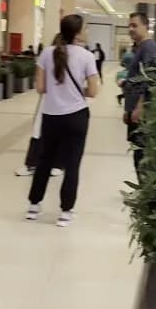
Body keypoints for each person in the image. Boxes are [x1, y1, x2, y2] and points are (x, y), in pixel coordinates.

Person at [25, 14, 99, 227]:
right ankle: (66, 211)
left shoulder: (47, 53)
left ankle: (33, 206)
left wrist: (58, 90)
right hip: (76, 116)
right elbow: (93, 91)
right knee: (72, 164)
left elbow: (40, 88)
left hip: (51, 116)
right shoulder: (86, 56)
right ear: (77, 32)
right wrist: (77, 91)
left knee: (44, 161)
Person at [123, 13, 156, 173]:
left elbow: (150, 78)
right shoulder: (141, 47)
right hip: (135, 109)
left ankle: (145, 192)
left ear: (146, 26)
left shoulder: (149, 47)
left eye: (135, 25)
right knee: (138, 153)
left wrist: (140, 107)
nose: (131, 29)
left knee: (142, 155)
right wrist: (128, 109)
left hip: (143, 113)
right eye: (130, 25)